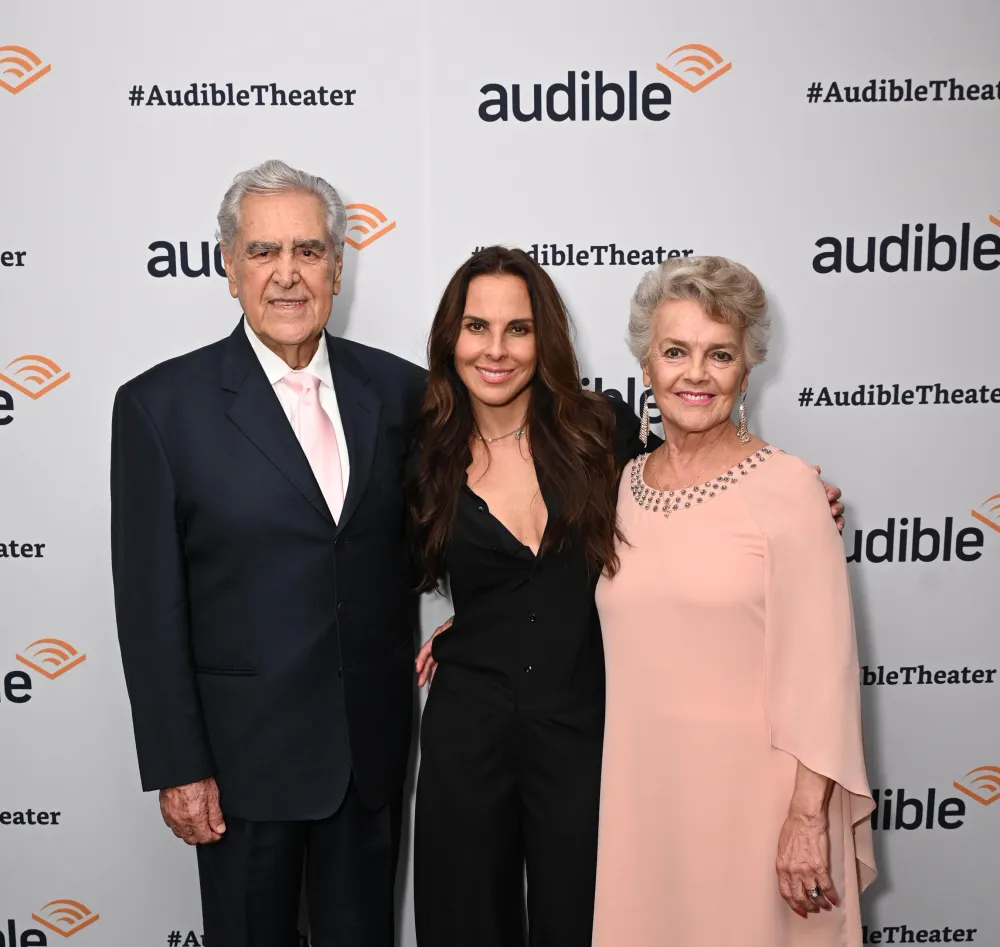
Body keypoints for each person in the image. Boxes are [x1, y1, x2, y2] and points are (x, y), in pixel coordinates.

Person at [408, 248, 846, 946]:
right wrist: (470, 620)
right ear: (450, 339)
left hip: (583, 742)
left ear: (543, 337)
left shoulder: (599, 432)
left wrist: (797, 498)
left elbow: (695, 487)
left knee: (589, 924)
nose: (496, 348)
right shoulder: (421, 449)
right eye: (476, 326)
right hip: (469, 734)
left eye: (518, 328)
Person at [111, 160, 425, 947]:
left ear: (338, 267)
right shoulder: (158, 407)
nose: (287, 275)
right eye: (262, 252)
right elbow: (149, 607)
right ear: (228, 266)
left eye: (309, 251)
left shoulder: (402, 394)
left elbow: (461, 531)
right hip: (239, 770)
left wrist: (484, 621)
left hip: (368, 762)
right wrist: (179, 764)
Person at [591, 256, 876, 947]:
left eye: (720, 354)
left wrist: (808, 817)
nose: (696, 374)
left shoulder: (788, 489)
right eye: (676, 351)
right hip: (645, 804)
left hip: (759, 811)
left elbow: (826, 668)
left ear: (747, 370)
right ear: (647, 365)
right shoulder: (620, 485)